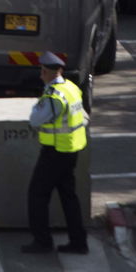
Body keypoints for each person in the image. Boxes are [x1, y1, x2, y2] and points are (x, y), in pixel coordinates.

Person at [21, 52, 90, 254]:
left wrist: (38, 105)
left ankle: (42, 241)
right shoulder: (71, 88)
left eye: (43, 71)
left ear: (50, 72)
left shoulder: (54, 96)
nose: (41, 75)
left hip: (55, 151)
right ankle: (79, 242)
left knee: (37, 195)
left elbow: (35, 120)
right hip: (71, 149)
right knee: (69, 197)